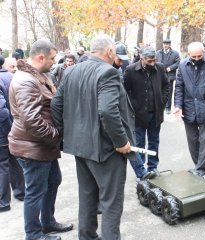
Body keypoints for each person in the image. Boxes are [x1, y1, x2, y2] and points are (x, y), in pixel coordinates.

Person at [51, 34, 135, 240]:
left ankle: (87, 236)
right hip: (106, 150)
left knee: (88, 196)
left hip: (80, 146)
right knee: (111, 202)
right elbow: (107, 111)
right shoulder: (108, 72)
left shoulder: (71, 71)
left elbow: (56, 104)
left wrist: (67, 134)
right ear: (109, 51)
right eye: (114, 51)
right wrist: (121, 141)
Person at [8, 39, 73, 240]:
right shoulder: (26, 81)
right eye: (53, 58)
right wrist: (55, 136)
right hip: (33, 147)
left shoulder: (36, 76)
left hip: (41, 145)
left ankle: (47, 222)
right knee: (35, 191)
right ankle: (34, 234)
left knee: (54, 180)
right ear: (40, 57)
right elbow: (32, 120)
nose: (55, 61)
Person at [174, 42, 205, 176]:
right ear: (188, 54)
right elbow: (179, 86)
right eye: (193, 56)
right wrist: (178, 106)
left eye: (199, 56)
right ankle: (200, 168)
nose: (196, 59)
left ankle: (200, 170)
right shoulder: (183, 65)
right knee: (192, 142)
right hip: (188, 109)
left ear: (204, 52)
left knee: (204, 142)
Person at [124, 46, 170, 179]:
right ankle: (142, 171)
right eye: (149, 61)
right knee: (138, 144)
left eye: (154, 60)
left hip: (155, 113)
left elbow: (166, 85)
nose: (152, 63)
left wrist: (162, 100)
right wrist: (132, 105)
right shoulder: (131, 70)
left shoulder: (160, 67)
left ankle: (153, 167)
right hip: (138, 115)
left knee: (154, 141)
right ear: (142, 59)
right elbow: (124, 90)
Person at [0, 55, 25, 213]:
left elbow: (1, 111)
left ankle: (3, 202)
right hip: (12, 127)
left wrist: (9, 128)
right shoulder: (10, 76)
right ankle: (21, 192)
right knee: (13, 161)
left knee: (2, 164)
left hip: (4, 130)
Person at [156, 39, 180, 114]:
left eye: (167, 44)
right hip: (159, 75)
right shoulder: (158, 53)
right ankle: (160, 106)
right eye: (164, 44)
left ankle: (168, 108)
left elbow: (178, 62)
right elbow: (155, 61)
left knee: (169, 92)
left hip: (170, 75)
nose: (165, 45)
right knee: (159, 91)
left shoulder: (175, 53)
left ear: (170, 45)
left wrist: (170, 68)